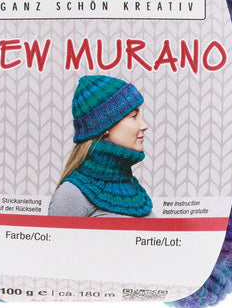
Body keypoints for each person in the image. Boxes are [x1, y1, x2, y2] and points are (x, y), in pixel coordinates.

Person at [49, 75, 154, 217]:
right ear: (105, 126)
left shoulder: (133, 188)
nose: (144, 125)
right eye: (134, 116)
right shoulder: (71, 195)